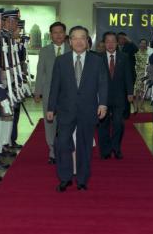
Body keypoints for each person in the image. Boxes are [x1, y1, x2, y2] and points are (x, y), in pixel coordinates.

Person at [47, 26, 108, 192]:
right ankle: (65, 178)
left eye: (83, 38)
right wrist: (51, 108)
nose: (79, 41)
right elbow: (55, 86)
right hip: (66, 110)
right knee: (62, 143)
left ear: (88, 41)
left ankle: (82, 180)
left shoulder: (97, 61)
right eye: (75, 38)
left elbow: (103, 84)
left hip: (88, 110)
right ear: (70, 41)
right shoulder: (61, 61)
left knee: (84, 146)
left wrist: (103, 103)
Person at [34, 21, 70, 164]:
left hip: (68, 94)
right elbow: (40, 72)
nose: (58, 35)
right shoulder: (44, 50)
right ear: (51, 35)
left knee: (66, 123)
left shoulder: (72, 49)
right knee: (50, 123)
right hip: (49, 93)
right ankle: (52, 151)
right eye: (55, 32)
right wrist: (37, 91)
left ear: (65, 34)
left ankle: (66, 150)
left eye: (61, 32)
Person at [98, 31, 134, 160]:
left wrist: (130, 92)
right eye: (108, 41)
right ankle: (105, 150)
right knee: (103, 125)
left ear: (117, 42)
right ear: (104, 43)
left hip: (120, 97)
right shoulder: (98, 58)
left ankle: (116, 148)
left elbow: (128, 76)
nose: (110, 44)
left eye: (113, 41)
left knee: (119, 124)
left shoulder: (124, 57)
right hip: (103, 98)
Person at [133, 38, 148, 113]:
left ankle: (141, 105)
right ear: (139, 44)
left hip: (146, 75)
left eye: (144, 43)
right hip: (138, 74)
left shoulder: (148, 53)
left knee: (144, 91)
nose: (143, 44)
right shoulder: (136, 53)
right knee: (137, 92)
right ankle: (135, 107)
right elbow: (135, 63)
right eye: (141, 43)